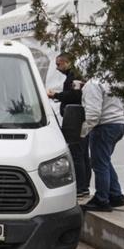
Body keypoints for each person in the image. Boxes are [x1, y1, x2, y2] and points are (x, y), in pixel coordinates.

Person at [80, 77, 124, 212]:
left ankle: (101, 200)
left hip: (104, 126)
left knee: (99, 164)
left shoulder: (92, 85)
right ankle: (115, 195)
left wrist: (83, 132)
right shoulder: (107, 81)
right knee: (104, 161)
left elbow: (93, 113)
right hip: (118, 124)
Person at [48, 53, 90, 197]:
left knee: (77, 152)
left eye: (59, 64)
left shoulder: (75, 77)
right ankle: (84, 186)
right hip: (76, 117)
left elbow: (75, 95)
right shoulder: (71, 76)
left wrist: (56, 95)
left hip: (75, 118)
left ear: (66, 62)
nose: (57, 68)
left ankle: (81, 187)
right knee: (82, 153)